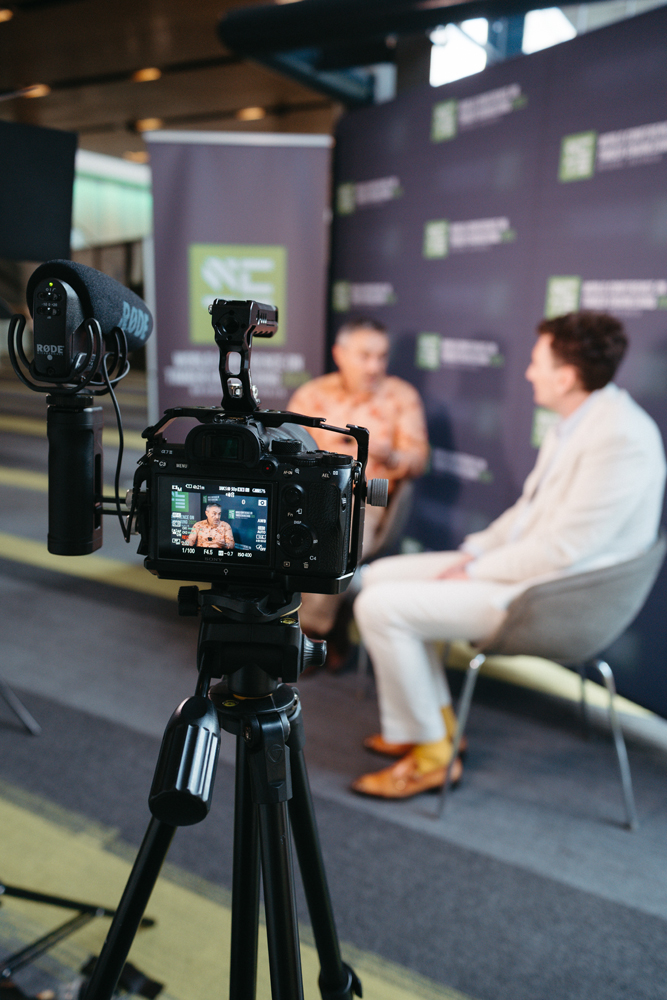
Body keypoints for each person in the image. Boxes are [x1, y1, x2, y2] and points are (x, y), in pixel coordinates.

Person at [352, 311, 666, 799]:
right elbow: (527, 513)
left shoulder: (621, 438)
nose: (528, 373)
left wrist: (475, 571)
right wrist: (473, 554)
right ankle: (429, 726)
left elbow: (562, 550)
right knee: (377, 579)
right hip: (529, 571)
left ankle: (434, 755)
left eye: (537, 363)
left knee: (381, 608)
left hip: (556, 595)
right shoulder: (581, 419)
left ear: (565, 377)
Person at [287, 318, 429, 660]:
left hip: (367, 500)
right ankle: (296, 627)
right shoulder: (311, 394)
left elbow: (419, 459)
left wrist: (391, 455)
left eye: (382, 356)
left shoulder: (401, 397)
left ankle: (311, 634)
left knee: (333, 536)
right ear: (340, 354)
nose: (375, 367)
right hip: (309, 494)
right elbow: (285, 444)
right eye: (365, 356)